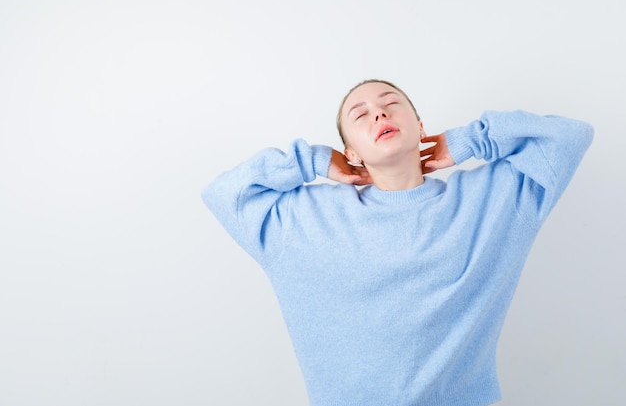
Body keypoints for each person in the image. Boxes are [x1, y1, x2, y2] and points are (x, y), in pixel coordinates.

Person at [201, 79, 594, 406]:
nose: (379, 113)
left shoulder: (490, 201)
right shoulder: (305, 219)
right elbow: (223, 195)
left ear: (421, 128)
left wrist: (472, 140)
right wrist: (312, 161)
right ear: (350, 151)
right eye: (360, 114)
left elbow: (571, 138)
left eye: (391, 104)